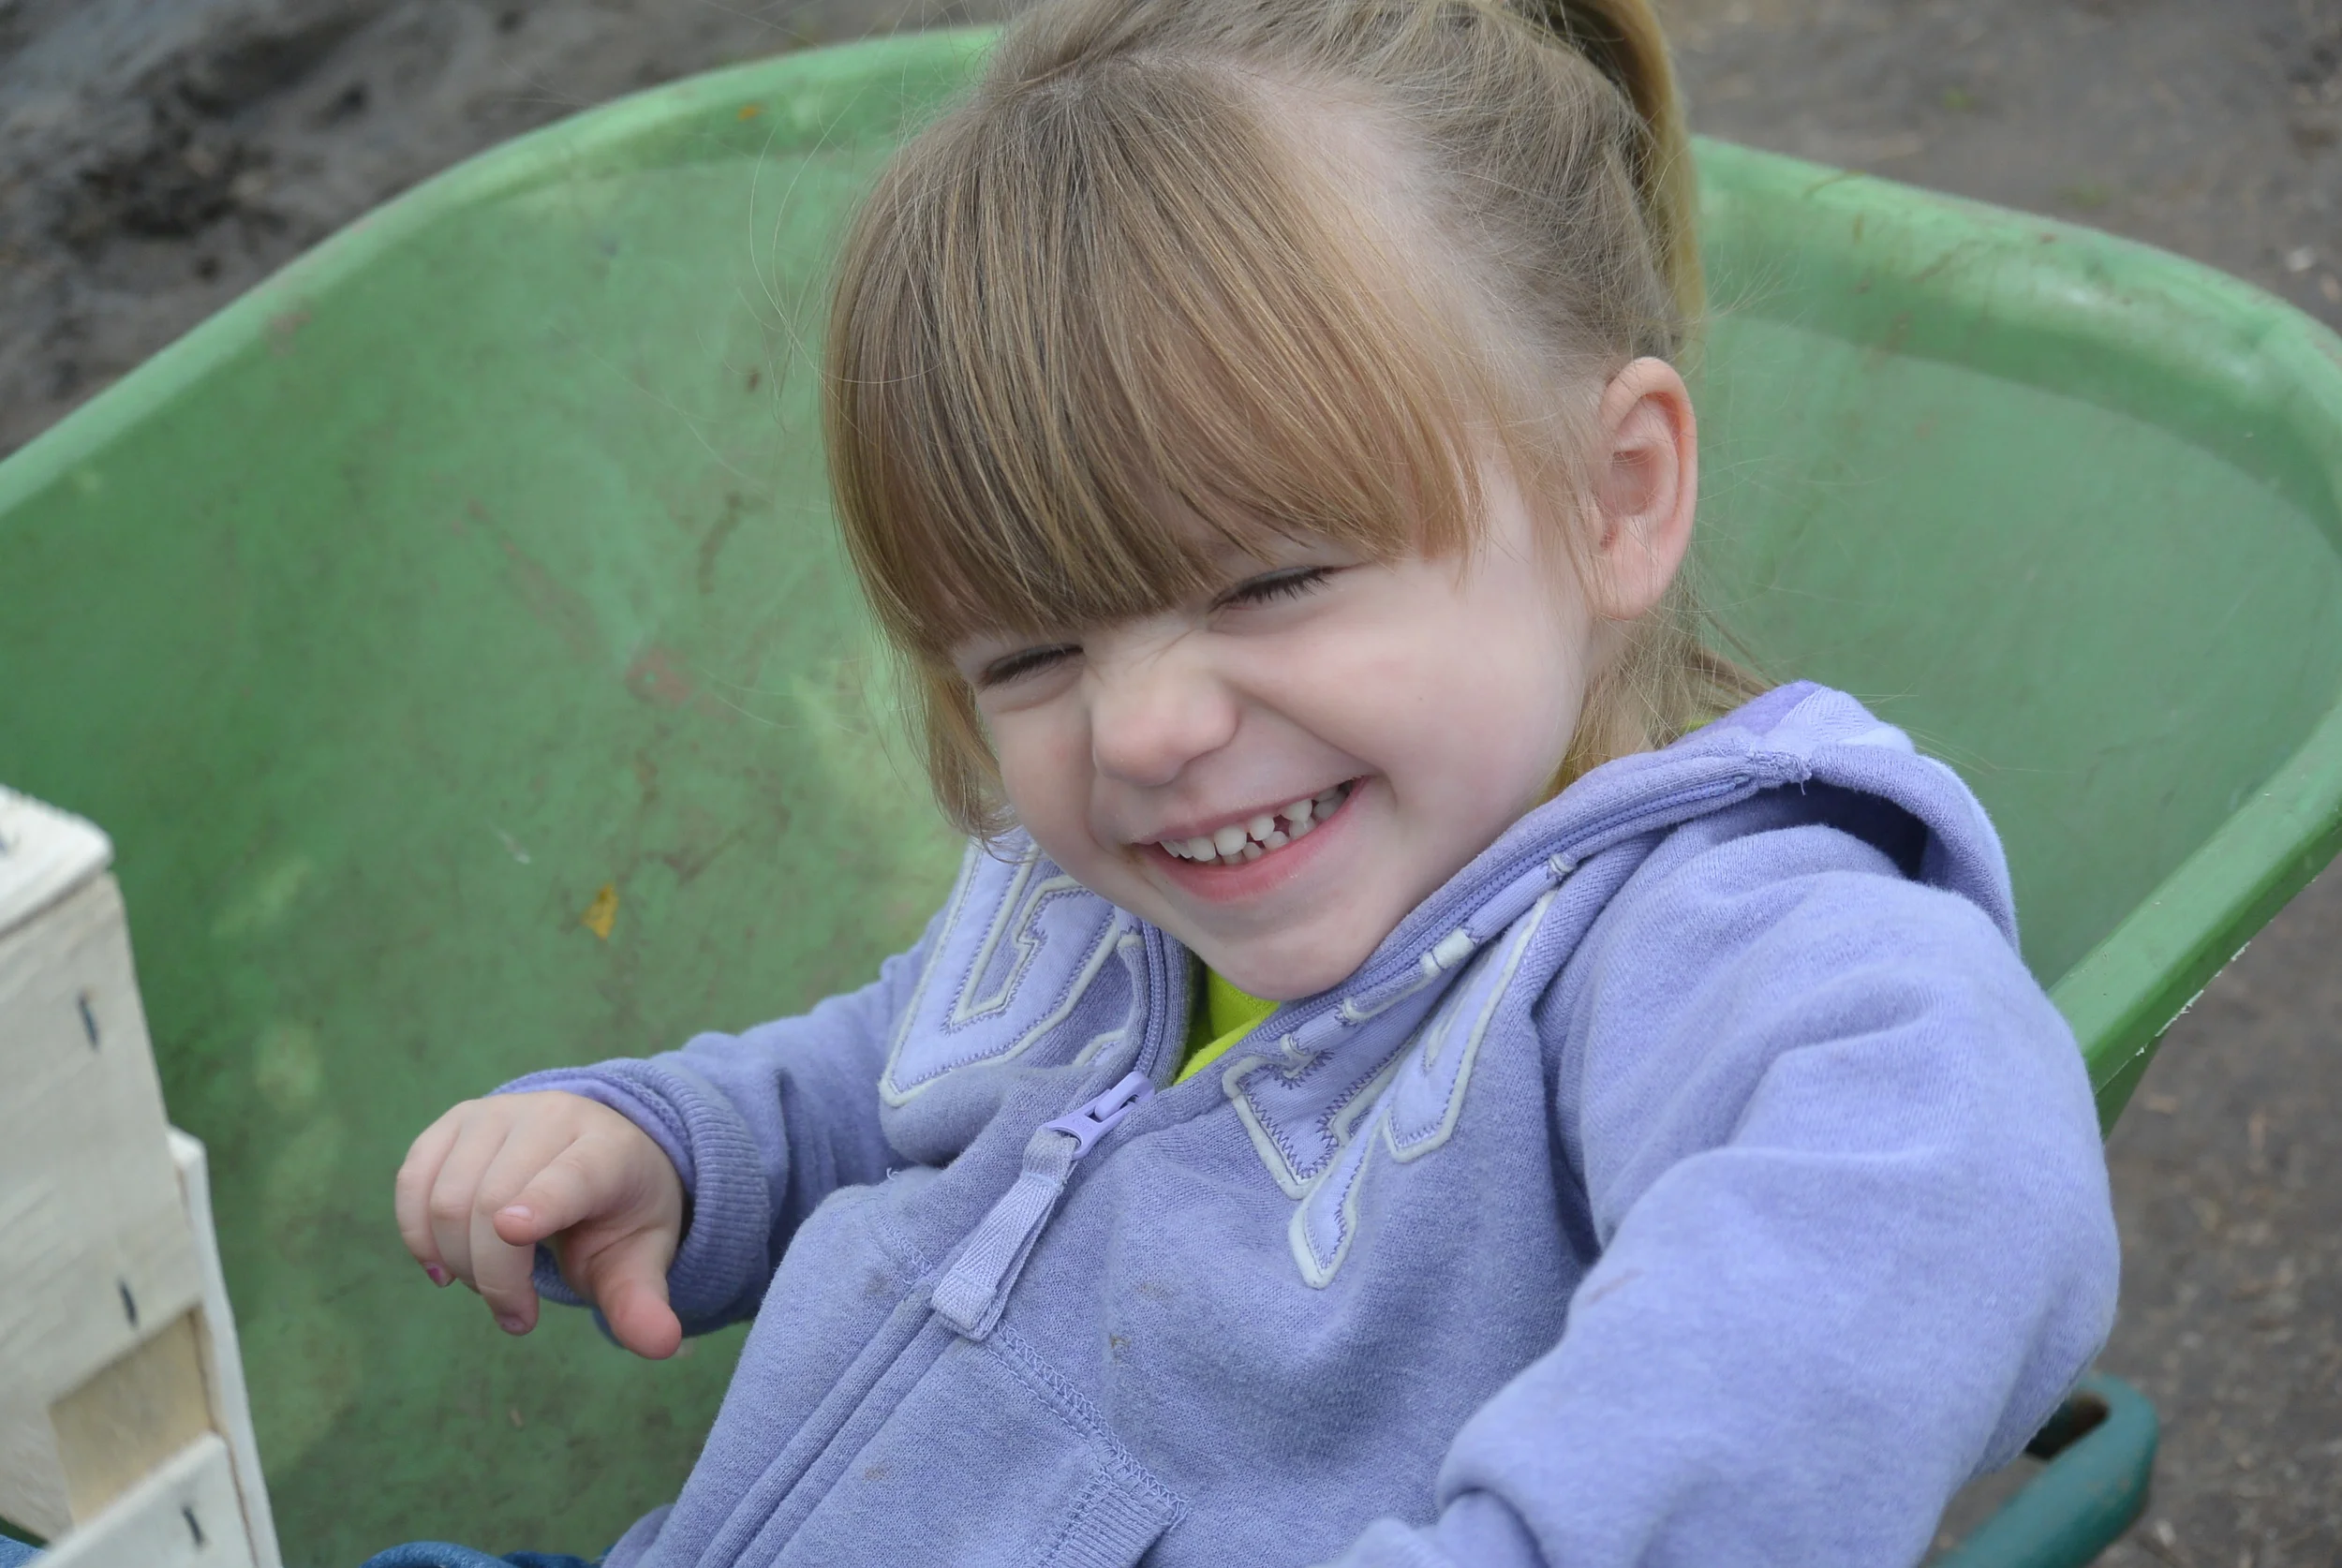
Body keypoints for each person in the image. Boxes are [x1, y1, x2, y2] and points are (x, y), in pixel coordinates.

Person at [389, 0, 2120, 1563]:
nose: (1139, 731)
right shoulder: (1123, 884)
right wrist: (690, 1149)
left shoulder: (1687, 931)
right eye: (1026, 655)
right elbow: (895, 1069)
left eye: (1271, 582)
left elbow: (1933, 1180)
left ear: (1615, 497)